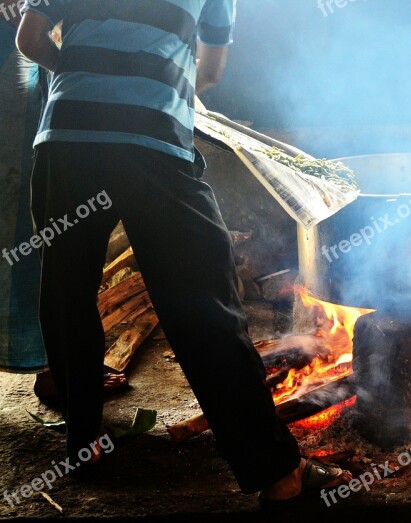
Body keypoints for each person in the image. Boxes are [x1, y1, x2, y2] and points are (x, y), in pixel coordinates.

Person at [16, 0, 350, 503]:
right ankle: (280, 474)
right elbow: (210, 72)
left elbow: (29, 39)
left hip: (66, 139)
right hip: (152, 147)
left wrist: (88, 77)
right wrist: (159, 90)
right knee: (206, 305)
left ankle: (83, 443)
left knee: (66, 294)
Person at [0, 3, 127, 401]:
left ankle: (60, 362)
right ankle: (57, 367)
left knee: (30, 207)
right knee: (22, 204)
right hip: (11, 52)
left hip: (20, 42)